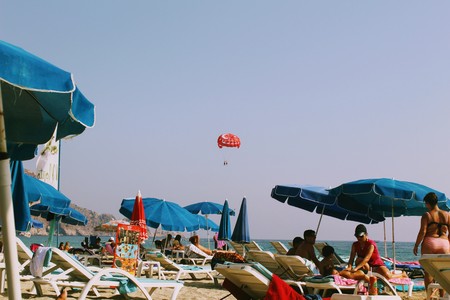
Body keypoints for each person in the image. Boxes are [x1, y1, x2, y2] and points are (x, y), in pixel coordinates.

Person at [340, 224, 406, 282]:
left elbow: (367, 258)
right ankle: (365, 277)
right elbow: (351, 258)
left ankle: (402, 274)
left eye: (361, 236)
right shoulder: (355, 245)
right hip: (365, 266)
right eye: (357, 236)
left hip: (376, 265)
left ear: (366, 235)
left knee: (387, 276)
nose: (359, 238)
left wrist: (356, 268)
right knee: (358, 260)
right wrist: (349, 267)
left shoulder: (371, 244)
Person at [414, 192, 450, 290]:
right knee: (443, 272)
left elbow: (423, 231)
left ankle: (429, 296)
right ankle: (442, 296)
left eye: (426, 203)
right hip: (444, 243)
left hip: (430, 242)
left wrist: (416, 245)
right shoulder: (447, 215)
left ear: (428, 203)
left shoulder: (427, 215)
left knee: (428, 271)